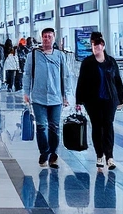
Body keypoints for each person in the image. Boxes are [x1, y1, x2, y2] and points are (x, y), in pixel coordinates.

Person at [75, 32, 123, 171]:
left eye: (98, 45)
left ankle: (109, 156)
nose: (96, 48)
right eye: (93, 46)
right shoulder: (87, 63)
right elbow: (81, 81)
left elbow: (117, 80)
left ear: (103, 46)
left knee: (108, 125)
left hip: (110, 99)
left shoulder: (111, 61)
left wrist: (121, 98)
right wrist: (78, 100)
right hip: (93, 100)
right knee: (97, 127)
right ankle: (99, 155)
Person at [23, 27, 71, 169]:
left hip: (56, 98)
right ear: (41, 38)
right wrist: (26, 92)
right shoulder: (33, 55)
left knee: (54, 127)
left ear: (54, 38)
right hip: (38, 98)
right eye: (44, 36)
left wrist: (66, 95)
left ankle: (54, 155)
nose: (46, 39)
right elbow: (27, 74)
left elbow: (65, 76)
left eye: (49, 36)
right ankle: (44, 152)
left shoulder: (60, 55)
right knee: (41, 126)